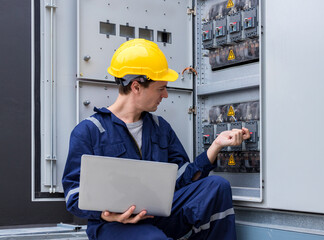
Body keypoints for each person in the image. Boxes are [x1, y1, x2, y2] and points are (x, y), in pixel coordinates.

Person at [62, 39, 250, 240]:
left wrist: (216, 145)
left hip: (158, 215)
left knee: (217, 187)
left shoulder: (160, 128)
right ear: (136, 86)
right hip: (114, 225)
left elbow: (182, 178)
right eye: (160, 88)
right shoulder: (90, 131)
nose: (166, 95)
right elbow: (74, 194)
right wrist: (106, 214)